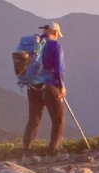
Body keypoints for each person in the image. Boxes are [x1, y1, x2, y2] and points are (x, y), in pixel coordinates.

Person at [21, 22, 68, 164]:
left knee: (33, 119)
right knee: (59, 119)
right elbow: (59, 69)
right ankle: (52, 153)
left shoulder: (32, 44)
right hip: (49, 86)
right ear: (55, 32)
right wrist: (62, 87)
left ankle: (27, 155)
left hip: (32, 86)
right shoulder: (55, 45)